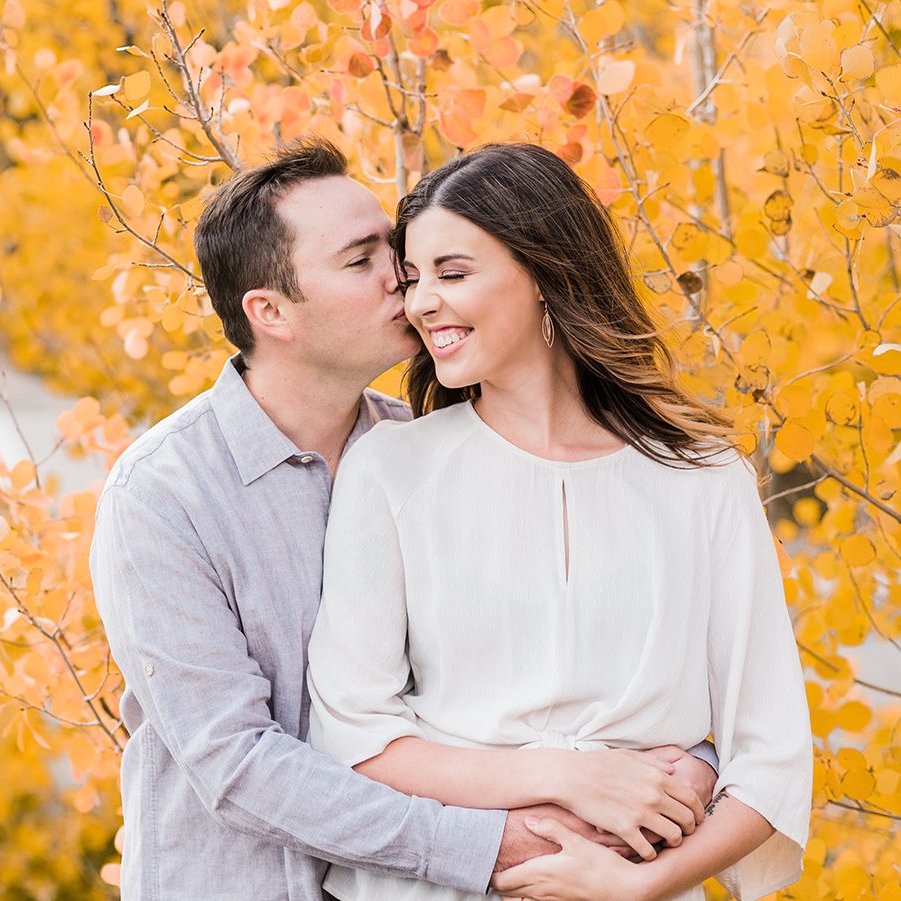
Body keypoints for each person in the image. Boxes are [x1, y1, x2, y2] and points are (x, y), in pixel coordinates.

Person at [89, 138, 719, 901]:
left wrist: (688, 762)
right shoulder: (164, 495)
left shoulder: (427, 454)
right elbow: (238, 764)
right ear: (271, 312)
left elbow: (551, 664)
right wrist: (497, 846)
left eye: (393, 246)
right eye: (361, 261)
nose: (404, 276)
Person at [305, 142, 812, 901]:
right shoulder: (389, 468)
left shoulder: (703, 478)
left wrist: (642, 884)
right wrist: (571, 776)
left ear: (545, 274)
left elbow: (769, 755)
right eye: (415, 281)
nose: (420, 303)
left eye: (453, 273)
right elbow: (355, 734)